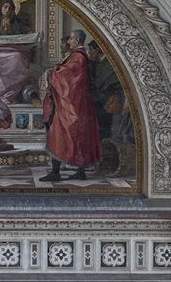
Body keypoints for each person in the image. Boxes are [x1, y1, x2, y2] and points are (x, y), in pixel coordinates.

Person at [40, 29, 101, 182]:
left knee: (59, 134)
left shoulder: (78, 57)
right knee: (79, 135)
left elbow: (69, 78)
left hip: (71, 104)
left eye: (71, 39)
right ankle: (80, 172)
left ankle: (56, 172)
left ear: (78, 41)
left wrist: (53, 72)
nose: (68, 41)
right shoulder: (78, 56)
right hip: (78, 103)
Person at [86, 40, 120, 138]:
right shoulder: (95, 62)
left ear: (98, 50)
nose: (89, 52)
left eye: (91, 49)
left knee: (105, 127)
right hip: (98, 100)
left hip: (105, 100)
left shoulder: (109, 63)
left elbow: (103, 81)